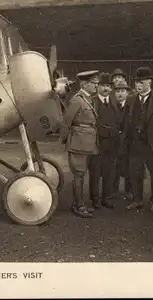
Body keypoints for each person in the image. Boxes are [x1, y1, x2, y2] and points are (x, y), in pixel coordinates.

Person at [122, 67, 153, 213]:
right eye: (136, 82)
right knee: (135, 172)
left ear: (149, 82)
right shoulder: (130, 99)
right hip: (135, 142)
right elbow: (126, 121)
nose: (138, 85)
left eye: (141, 82)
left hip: (152, 143)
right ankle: (137, 199)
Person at [59, 70, 100, 218]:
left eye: (96, 83)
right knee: (79, 175)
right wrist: (64, 140)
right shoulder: (77, 100)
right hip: (78, 143)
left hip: (87, 143)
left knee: (81, 174)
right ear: (84, 84)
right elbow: (66, 122)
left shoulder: (88, 98)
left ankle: (78, 203)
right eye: (93, 83)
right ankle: (79, 206)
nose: (96, 86)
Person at [89, 73, 121, 209]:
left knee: (109, 172)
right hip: (97, 142)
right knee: (95, 172)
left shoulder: (114, 101)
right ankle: (95, 199)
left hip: (112, 143)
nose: (106, 89)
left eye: (108, 86)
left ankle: (106, 198)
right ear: (98, 87)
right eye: (103, 86)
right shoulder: (92, 101)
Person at [114, 79, 132, 201]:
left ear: (127, 93)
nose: (120, 94)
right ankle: (113, 191)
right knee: (114, 167)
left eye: (123, 91)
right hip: (114, 141)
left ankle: (129, 191)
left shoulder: (131, 106)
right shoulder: (111, 105)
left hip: (128, 141)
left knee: (128, 167)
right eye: (118, 91)